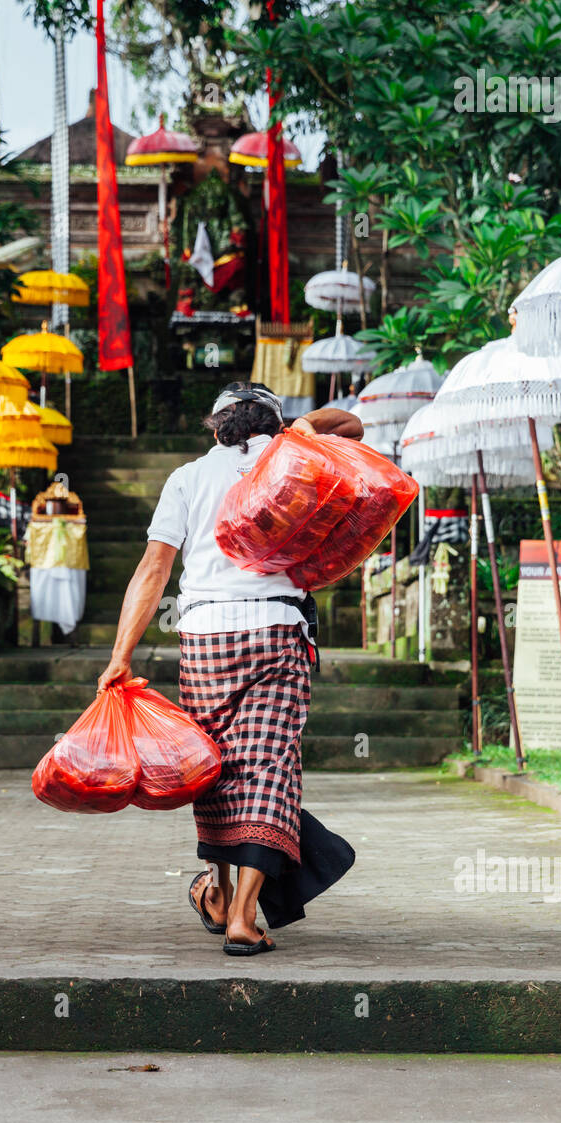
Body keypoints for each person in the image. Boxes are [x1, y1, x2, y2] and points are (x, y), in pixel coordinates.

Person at [97, 381, 359, 955]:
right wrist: (296, 429)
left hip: (205, 638)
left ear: (216, 427)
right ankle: (240, 915)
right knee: (267, 770)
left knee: (212, 767)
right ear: (272, 422)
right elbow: (351, 427)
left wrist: (121, 656)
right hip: (275, 630)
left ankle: (216, 890)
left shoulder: (187, 478)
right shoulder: (296, 462)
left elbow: (153, 569)